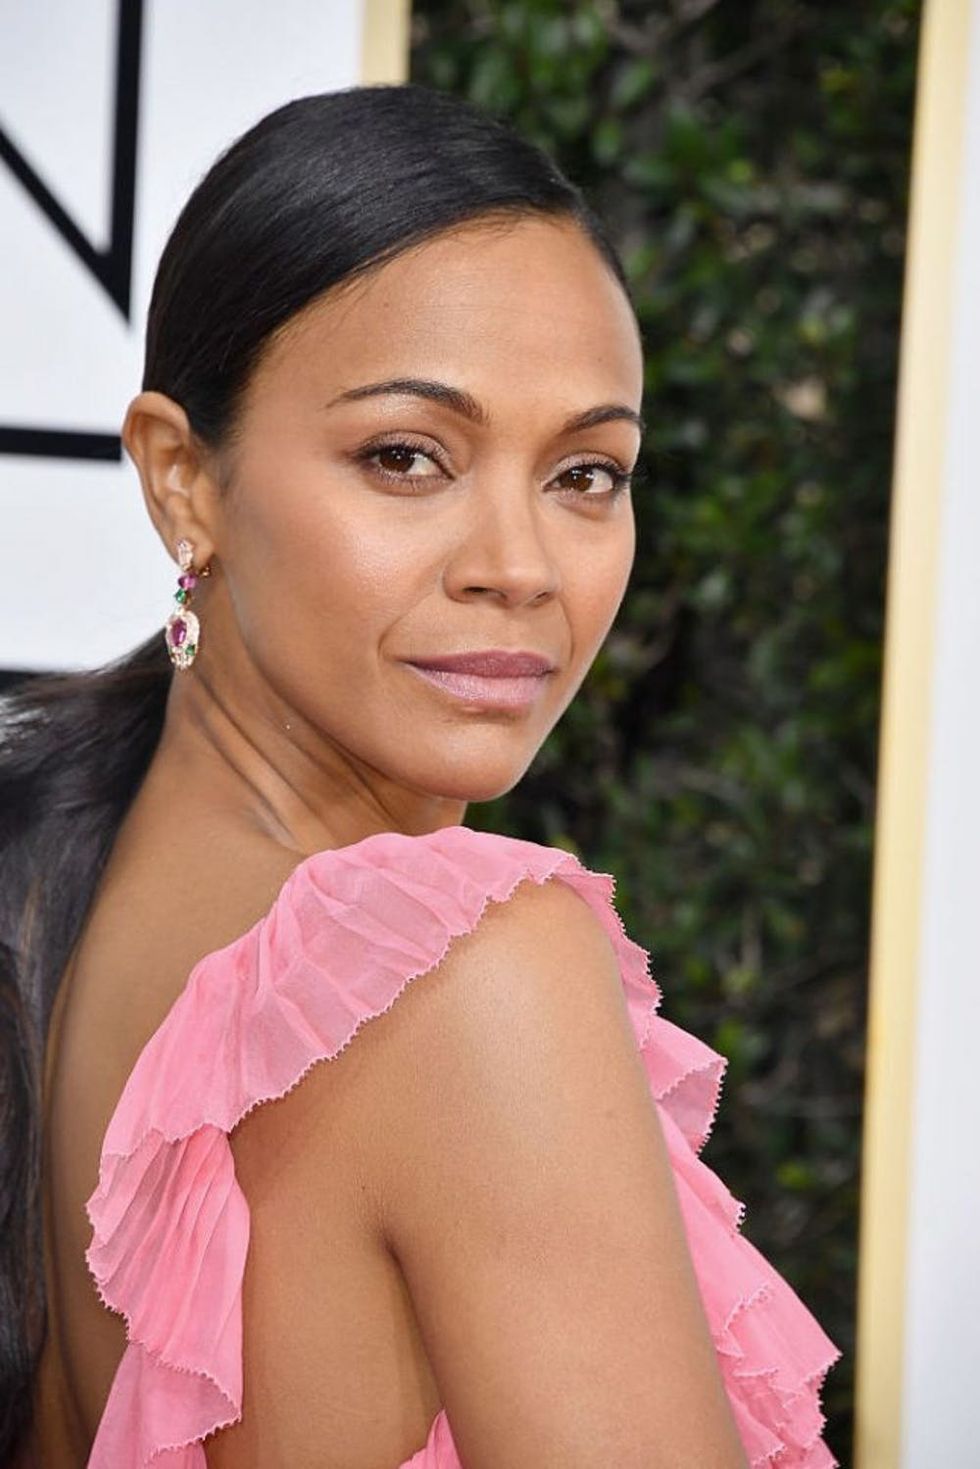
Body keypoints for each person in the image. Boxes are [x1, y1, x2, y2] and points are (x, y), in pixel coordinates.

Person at [0, 84, 840, 1468]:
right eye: (408, 457)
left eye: (586, 473)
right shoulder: (467, 970)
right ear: (181, 478)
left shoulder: (79, 898)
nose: (518, 563)